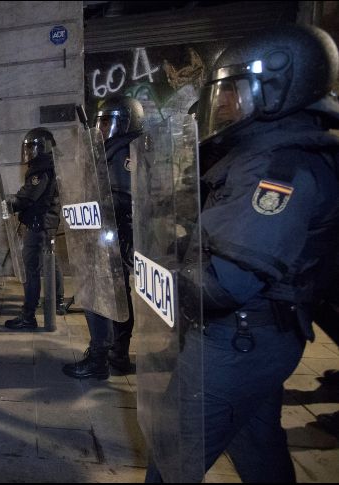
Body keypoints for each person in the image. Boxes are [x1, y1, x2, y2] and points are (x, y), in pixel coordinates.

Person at [144, 25, 339, 482]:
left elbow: (224, 283)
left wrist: (160, 271)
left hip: (235, 339)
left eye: (234, 89)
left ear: (277, 85)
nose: (225, 103)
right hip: (259, 335)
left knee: (173, 454)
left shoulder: (279, 170)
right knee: (256, 444)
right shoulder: (268, 153)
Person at [62, 96, 143, 380]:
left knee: (99, 297)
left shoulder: (124, 152)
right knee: (118, 297)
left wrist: (90, 208)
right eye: (101, 122)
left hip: (111, 236)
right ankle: (117, 354)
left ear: (126, 121)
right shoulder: (111, 150)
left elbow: (122, 199)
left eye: (109, 121)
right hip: (107, 235)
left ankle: (100, 358)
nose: (103, 127)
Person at [4, 128, 65, 330]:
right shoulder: (48, 165)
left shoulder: (42, 169)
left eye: (33, 148)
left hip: (39, 223)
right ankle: (57, 302)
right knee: (50, 261)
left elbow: (29, 195)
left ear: (44, 147)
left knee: (31, 269)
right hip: (46, 223)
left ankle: (28, 315)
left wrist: (11, 202)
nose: (29, 152)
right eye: (28, 148)